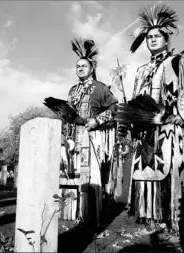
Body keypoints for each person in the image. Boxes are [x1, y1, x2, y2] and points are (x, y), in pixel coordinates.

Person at [117, 4, 184, 231]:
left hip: (170, 130)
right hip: (145, 130)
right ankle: (149, 217)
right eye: (149, 37)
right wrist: (130, 124)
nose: (153, 40)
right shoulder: (141, 70)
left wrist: (182, 117)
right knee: (145, 171)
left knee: (169, 172)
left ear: (167, 39)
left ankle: (171, 219)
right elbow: (137, 101)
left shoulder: (179, 63)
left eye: (157, 36)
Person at [61, 38, 119, 226]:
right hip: (73, 139)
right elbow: (67, 115)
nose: (80, 68)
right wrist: (65, 136)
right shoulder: (72, 90)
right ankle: (74, 212)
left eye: (83, 66)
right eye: (77, 66)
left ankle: (93, 216)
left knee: (92, 176)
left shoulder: (100, 88)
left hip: (93, 138)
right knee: (72, 174)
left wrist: (97, 120)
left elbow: (115, 108)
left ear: (92, 68)